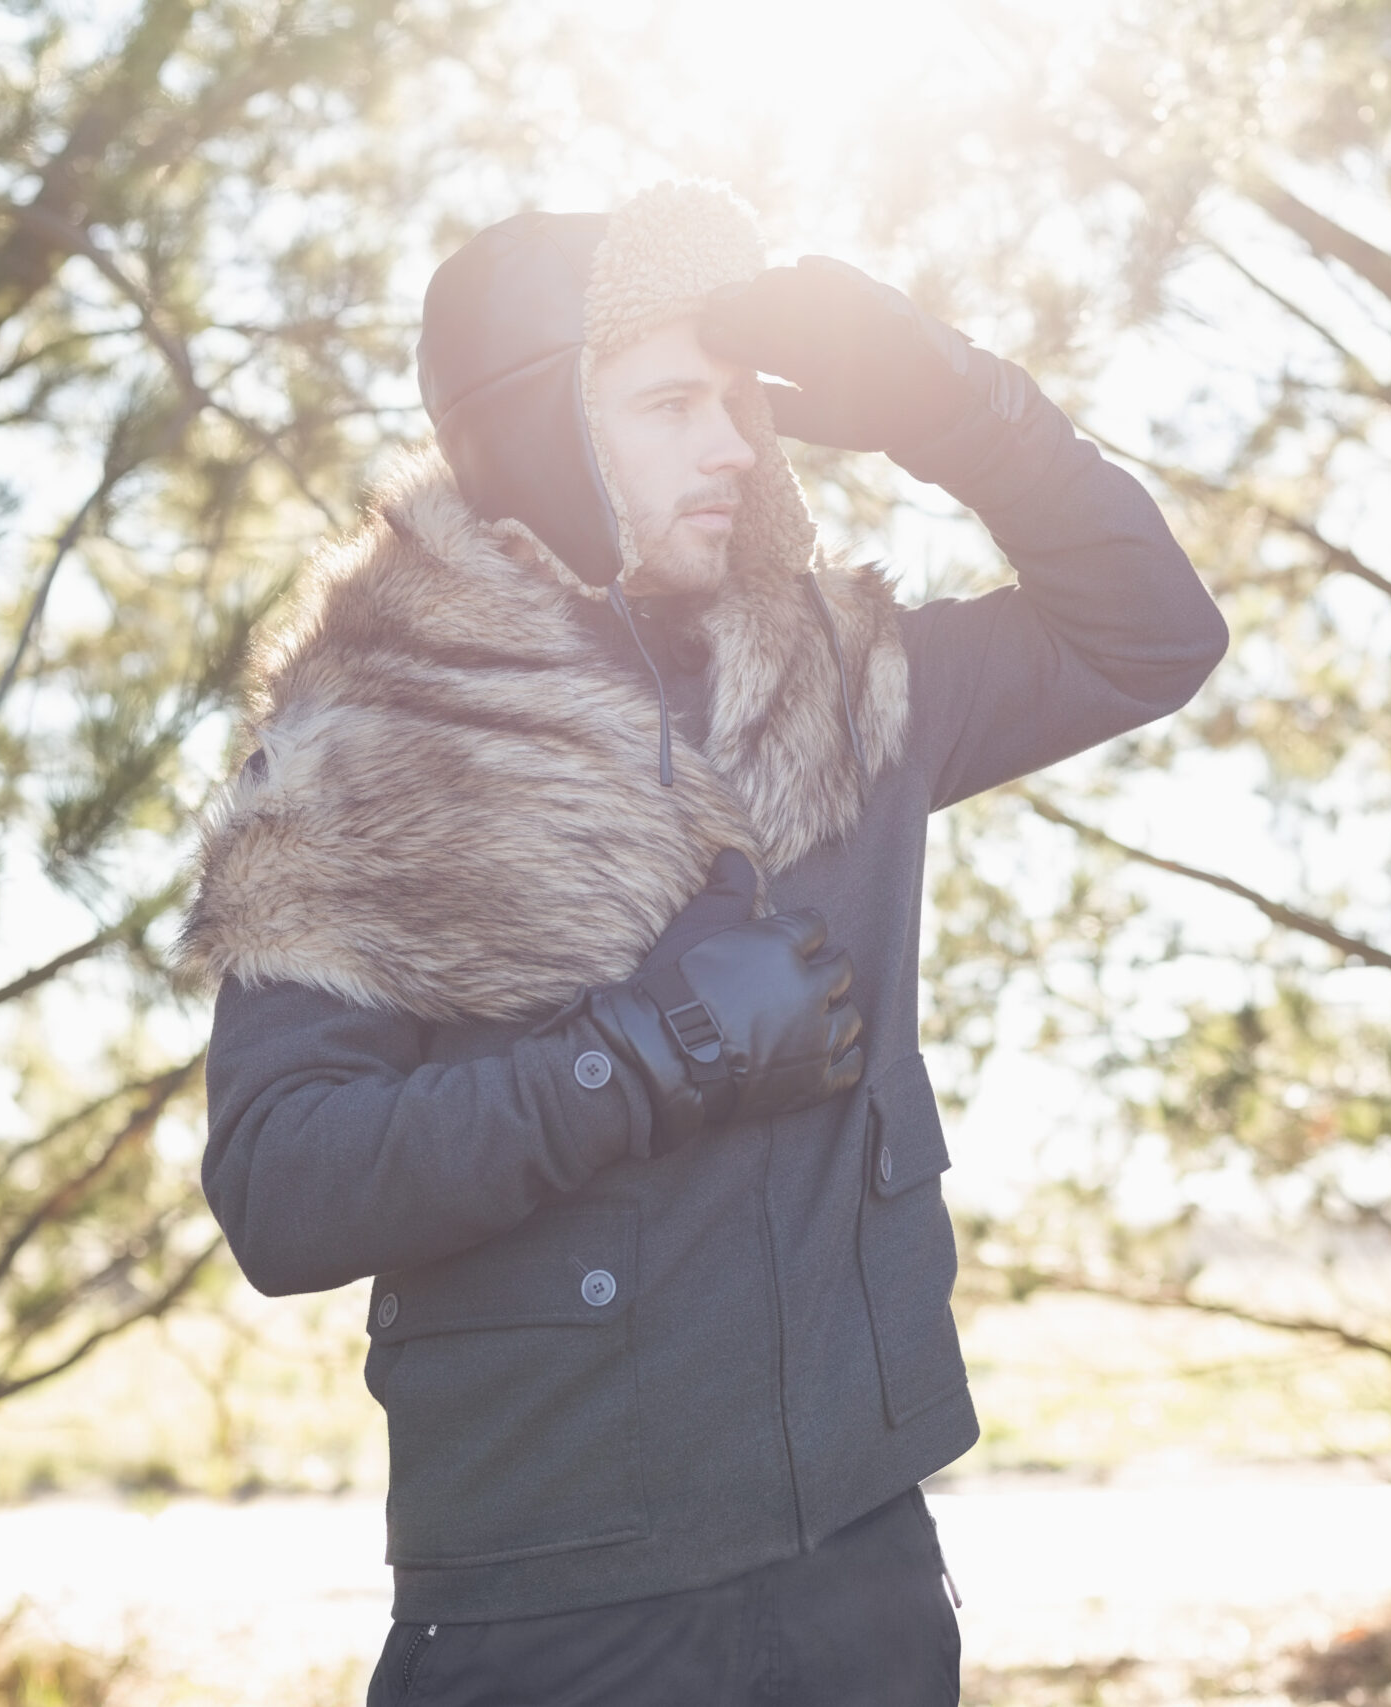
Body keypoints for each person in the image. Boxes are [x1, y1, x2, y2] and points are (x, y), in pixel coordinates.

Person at [185, 182, 1228, 1705]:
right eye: (673, 402)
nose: (736, 443)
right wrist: (636, 1062)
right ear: (536, 423)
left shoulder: (853, 686)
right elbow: (285, 1185)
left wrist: (956, 407)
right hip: (557, 1622)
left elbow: (1152, 633)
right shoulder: (362, 752)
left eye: (743, 402)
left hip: (861, 1588)